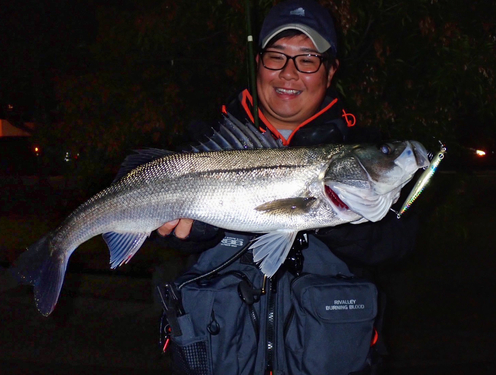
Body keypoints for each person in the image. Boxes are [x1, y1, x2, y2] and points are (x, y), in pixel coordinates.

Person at [152, 1, 419, 374]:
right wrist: (191, 233)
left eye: (307, 59)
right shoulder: (205, 143)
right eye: (276, 57)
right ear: (258, 63)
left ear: (330, 70)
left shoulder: (365, 150)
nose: (289, 74)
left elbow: (400, 242)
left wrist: (333, 217)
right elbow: (156, 232)